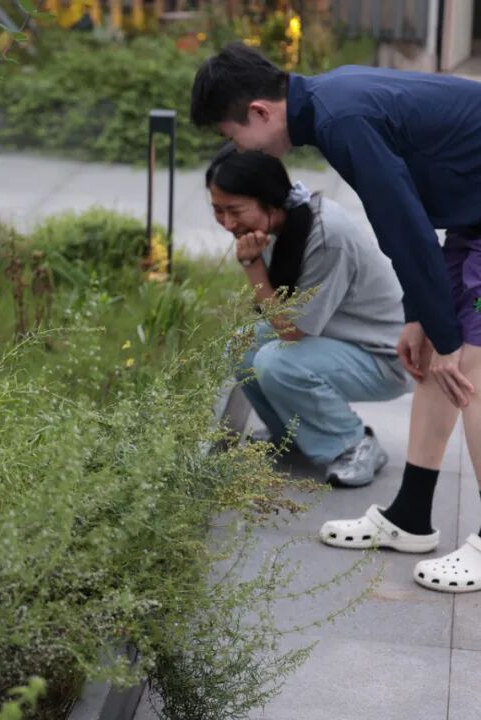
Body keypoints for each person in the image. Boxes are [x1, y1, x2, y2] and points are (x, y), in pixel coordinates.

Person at [190, 43, 481, 593]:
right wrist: (421, 317)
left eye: (233, 136)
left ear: (259, 111)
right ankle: (411, 517)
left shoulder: (342, 116)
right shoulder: (331, 103)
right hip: (473, 221)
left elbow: (403, 224)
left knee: (470, 365)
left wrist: (442, 331)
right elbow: (408, 220)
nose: (239, 148)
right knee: (434, 362)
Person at [207, 146, 410, 485]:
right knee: (242, 346)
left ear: (270, 203)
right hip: (340, 340)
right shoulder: (280, 223)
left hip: (387, 357)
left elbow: (289, 330)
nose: (227, 223)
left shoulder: (327, 235)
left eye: (235, 210)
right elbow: (276, 312)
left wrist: (251, 265)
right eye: (217, 211)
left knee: (277, 361)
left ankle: (354, 443)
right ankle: (292, 436)